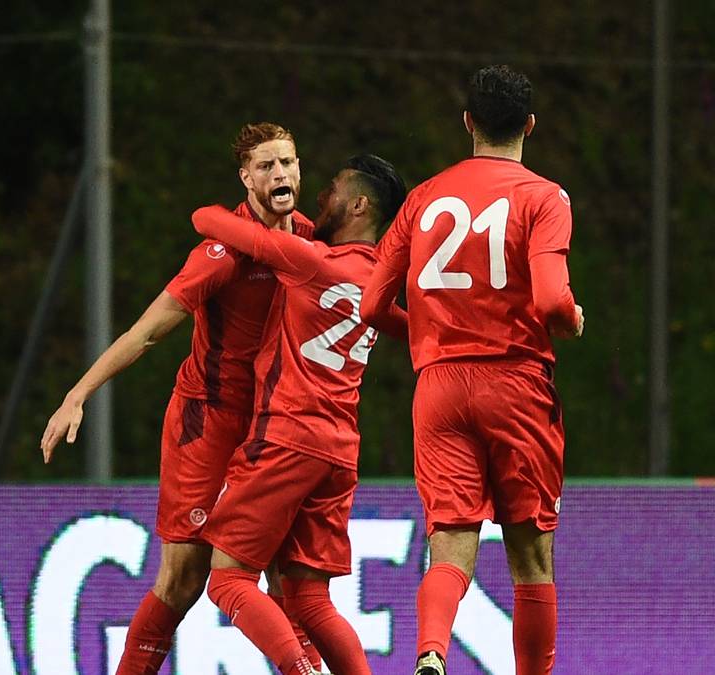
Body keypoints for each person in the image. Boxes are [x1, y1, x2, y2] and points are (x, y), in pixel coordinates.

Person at [41, 122, 323, 673]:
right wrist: (77, 395)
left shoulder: (314, 242)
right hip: (207, 425)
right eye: (266, 166)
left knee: (290, 579)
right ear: (246, 178)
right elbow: (144, 333)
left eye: (287, 162)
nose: (280, 174)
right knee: (184, 576)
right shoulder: (220, 255)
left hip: (276, 429)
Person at [359, 65, 584, 675]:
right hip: (515, 383)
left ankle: (431, 652)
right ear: (530, 126)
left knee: (450, 544)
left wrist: (432, 335)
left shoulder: (423, 198)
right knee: (532, 558)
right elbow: (550, 299)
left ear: (468, 123)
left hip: (439, 387)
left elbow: (373, 305)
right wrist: (572, 317)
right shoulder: (543, 196)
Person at [194, 155, 408, 675]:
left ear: (358, 205)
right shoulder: (381, 285)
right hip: (339, 452)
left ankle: (300, 671)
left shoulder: (311, 261)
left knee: (227, 581)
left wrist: (255, 205)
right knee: (310, 602)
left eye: (332, 190)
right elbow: (414, 327)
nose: (320, 197)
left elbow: (206, 219)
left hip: (287, 437)